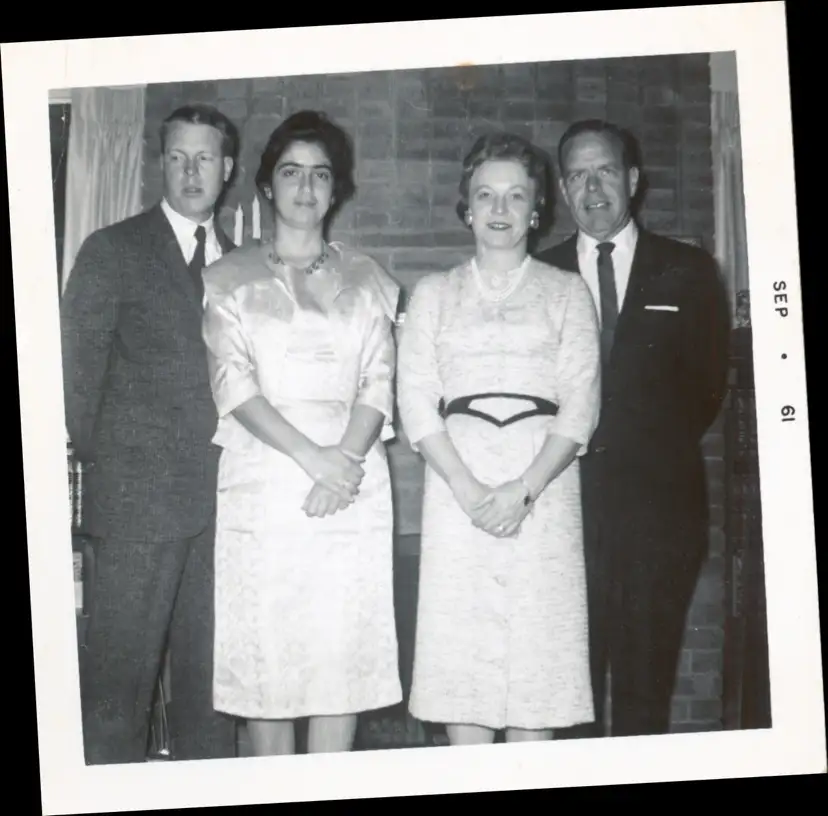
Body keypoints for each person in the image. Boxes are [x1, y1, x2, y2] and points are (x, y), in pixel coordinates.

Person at [201, 110, 403, 756]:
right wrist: (313, 459)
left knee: (335, 668)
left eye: (321, 174)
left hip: (352, 480)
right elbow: (233, 386)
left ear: (337, 188)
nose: (307, 187)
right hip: (266, 481)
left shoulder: (371, 281)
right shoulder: (228, 280)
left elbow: (378, 381)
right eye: (291, 172)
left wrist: (343, 460)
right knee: (269, 669)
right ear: (266, 185)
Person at [397, 132, 602, 745]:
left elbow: (581, 401)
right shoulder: (434, 292)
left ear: (537, 209)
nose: (500, 209)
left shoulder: (567, 291)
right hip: (459, 489)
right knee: (465, 664)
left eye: (516, 196)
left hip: (543, 490)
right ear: (467, 206)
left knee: (537, 671)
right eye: (486, 195)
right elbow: (414, 398)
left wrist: (525, 490)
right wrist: (466, 488)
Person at [536, 119, 731, 738]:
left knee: (646, 696)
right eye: (577, 176)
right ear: (564, 190)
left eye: (606, 171)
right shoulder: (539, 276)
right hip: (566, 515)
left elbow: (706, 389)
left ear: (633, 180)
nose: (593, 188)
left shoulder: (688, 269)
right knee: (572, 700)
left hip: (658, 516)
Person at [61, 104, 241, 764]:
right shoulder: (113, 250)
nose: (192, 171)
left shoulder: (243, 264)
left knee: (211, 695)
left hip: (225, 512)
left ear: (228, 169)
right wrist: (126, 473)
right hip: (138, 509)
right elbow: (77, 385)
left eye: (205, 158)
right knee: (117, 697)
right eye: (178, 157)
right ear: (160, 163)